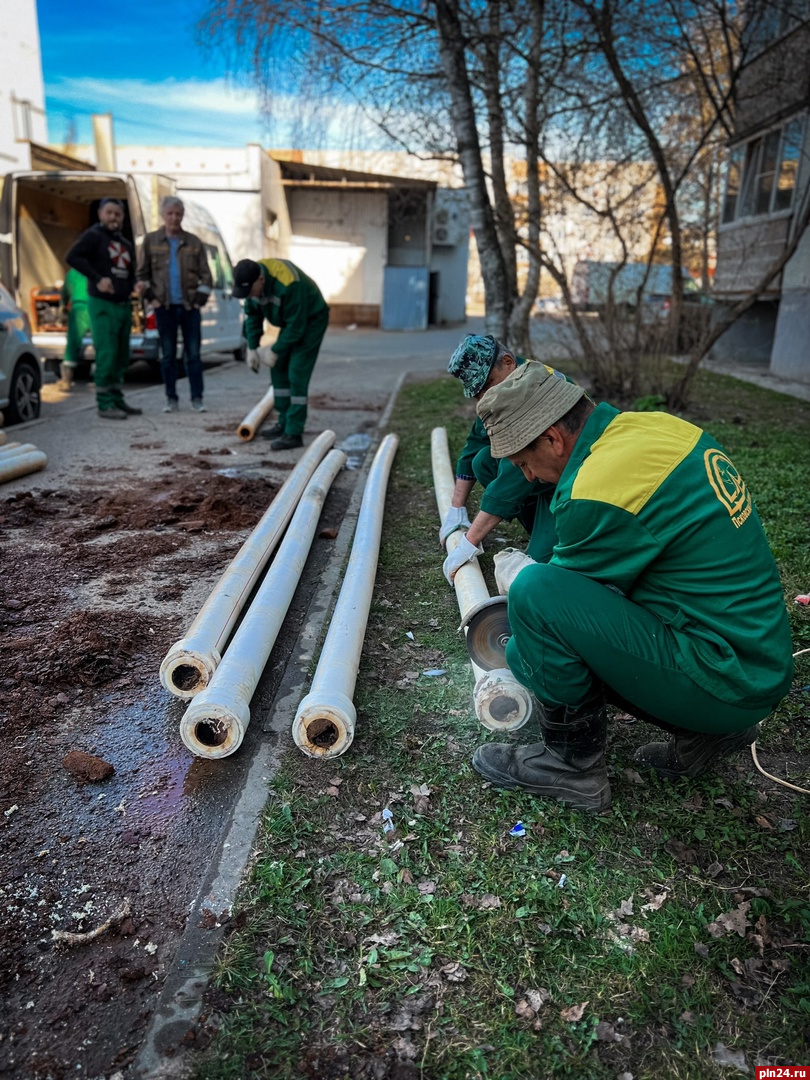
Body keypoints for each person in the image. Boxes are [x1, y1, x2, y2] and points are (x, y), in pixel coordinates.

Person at [471, 361, 793, 812]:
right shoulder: (658, 430)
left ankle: (570, 765)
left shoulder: (598, 487)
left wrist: (521, 654)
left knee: (535, 596)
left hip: (723, 679)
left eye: (524, 462)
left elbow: (554, 605)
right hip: (757, 662)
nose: (527, 476)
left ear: (552, 438)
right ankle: (708, 734)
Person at [441, 334, 577, 586]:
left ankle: (556, 533)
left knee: (539, 574)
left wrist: (468, 543)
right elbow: (476, 442)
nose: (485, 396)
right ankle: (539, 525)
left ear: (507, 362)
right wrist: (456, 508)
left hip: (571, 489)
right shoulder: (507, 386)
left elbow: (512, 480)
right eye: (478, 394)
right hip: (547, 479)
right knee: (483, 460)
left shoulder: (534, 390)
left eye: (487, 385)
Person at [231, 257, 329, 450]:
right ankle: (283, 422)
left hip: (310, 321)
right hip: (291, 323)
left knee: (296, 372)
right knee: (278, 368)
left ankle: (294, 432)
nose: (249, 296)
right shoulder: (252, 285)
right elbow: (253, 316)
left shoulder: (289, 282)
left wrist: (275, 350)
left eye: (250, 291)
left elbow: (297, 327)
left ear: (260, 279)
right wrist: (252, 347)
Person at [66, 198, 142, 420]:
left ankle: (117, 398)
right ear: (100, 214)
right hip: (102, 304)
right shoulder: (93, 236)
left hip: (123, 305)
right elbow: (72, 257)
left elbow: (130, 272)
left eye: (117, 214)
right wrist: (97, 279)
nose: (113, 218)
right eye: (109, 213)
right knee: (107, 353)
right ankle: (104, 403)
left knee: (121, 355)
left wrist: (135, 284)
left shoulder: (125, 244)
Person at [137, 196, 213, 413]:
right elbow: (142, 274)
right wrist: (152, 299)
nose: (174, 218)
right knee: (168, 355)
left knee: (194, 355)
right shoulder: (151, 241)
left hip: (189, 307)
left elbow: (206, 276)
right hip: (165, 308)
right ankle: (171, 399)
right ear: (163, 215)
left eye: (178, 214)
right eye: (170, 213)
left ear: (183, 215)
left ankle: (197, 399)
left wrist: (199, 300)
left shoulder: (194, 242)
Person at [56, 267, 90, 390]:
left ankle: (66, 379)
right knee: (101, 341)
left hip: (78, 307)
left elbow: (66, 291)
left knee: (73, 341)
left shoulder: (73, 272)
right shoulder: (98, 266)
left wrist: (63, 306)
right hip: (96, 305)